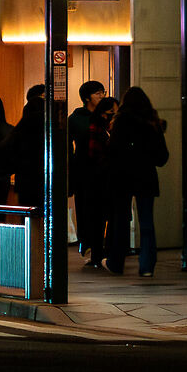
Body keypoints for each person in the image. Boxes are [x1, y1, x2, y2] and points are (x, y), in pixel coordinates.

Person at [101, 85, 168, 279]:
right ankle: (147, 266)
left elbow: (112, 151)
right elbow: (162, 156)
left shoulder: (120, 122)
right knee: (147, 222)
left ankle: (116, 263)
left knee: (121, 220)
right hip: (146, 176)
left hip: (122, 177)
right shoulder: (152, 123)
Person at [67, 81, 107, 257]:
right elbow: (68, 148)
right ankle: (87, 241)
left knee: (101, 208)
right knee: (84, 207)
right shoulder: (75, 119)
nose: (101, 96)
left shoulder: (106, 116)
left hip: (103, 169)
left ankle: (98, 244)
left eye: (102, 92)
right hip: (82, 169)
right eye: (97, 93)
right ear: (86, 97)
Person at [74, 97, 114, 270]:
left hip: (97, 179)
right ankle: (99, 253)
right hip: (98, 180)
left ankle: (99, 253)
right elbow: (95, 154)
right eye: (113, 111)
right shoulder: (95, 129)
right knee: (99, 217)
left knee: (99, 217)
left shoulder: (99, 127)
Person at [10, 85, 47, 210]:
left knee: (28, 213)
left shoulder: (22, 126)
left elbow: (8, 147)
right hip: (45, 178)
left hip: (24, 178)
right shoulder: (51, 126)